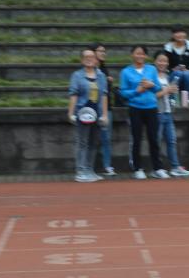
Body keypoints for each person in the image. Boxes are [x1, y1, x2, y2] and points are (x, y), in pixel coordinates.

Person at [118, 45, 166, 179]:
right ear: (132, 55)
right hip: (135, 108)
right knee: (136, 138)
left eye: (142, 54)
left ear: (145, 56)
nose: (140, 56)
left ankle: (157, 168)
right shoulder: (126, 72)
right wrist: (136, 91)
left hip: (151, 107)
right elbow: (123, 92)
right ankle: (137, 168)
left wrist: (151, 85)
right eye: (137, 53)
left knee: (154, 138)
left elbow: (158, 88)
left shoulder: (151, 69)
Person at [67, 49, 109, 182]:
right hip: (82, 113)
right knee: (82, 142)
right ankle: (80, 171)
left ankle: (90, 169)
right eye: (86, 57)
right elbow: (74, 94)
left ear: (96, 59)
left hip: (97, 113)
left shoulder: (101, 76)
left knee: (93, 142)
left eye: (92, 56)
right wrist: (71, 113)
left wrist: (105, 114)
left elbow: (104, 95)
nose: (89, 59)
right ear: (82, 60)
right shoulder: (77, 75)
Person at [153, 52, 189, 178]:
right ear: (155, 62)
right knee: (157, 142)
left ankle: (175, 167)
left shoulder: (167, 76)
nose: (162, 63)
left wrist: (172, 92)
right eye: (160, 60)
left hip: (168, 112)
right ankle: (157, 168)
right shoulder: (152, 76)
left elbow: (167, 93)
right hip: (157, 113)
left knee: (171, 141)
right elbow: (152, 96)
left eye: (165, 61)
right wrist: (167, 90)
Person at [92, 43, 115, 176]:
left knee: (106, 138)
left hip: (106, 108)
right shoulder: (88, 69)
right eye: (100, 51)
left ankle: (107, 165)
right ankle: (89, 166)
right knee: (91, 138)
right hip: (91, 107)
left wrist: (108, 81)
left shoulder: (105, 70)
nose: (103, 53)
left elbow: (107, 91)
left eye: (104, 51)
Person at [162, 26, 189, 99]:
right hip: (173, 74)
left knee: (187, 74)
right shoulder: (168, 47)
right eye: (177, 32)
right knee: (178, 73)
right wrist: (172, 69)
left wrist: (188, 69)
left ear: (185, 34)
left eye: (182, 32)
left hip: (187, 73)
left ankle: (188, 101)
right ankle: (173, 100)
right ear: (173, 35)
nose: (180, 35)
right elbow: (165, 64)